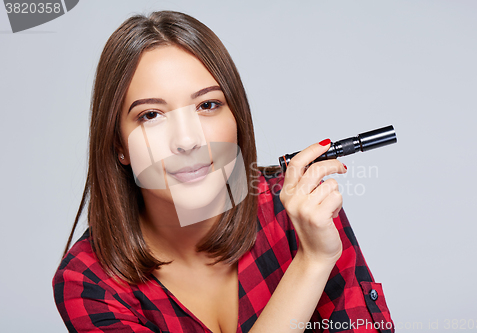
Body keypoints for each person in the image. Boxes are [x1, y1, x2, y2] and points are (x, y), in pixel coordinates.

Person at [52, 10, 394, 333]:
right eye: (151, 115)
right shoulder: (88, 281)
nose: (187, 141)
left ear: (237, 119)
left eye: (207, 105)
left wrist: (318, 252)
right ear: (119, 145)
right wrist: (312, 263)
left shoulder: (300, 210)